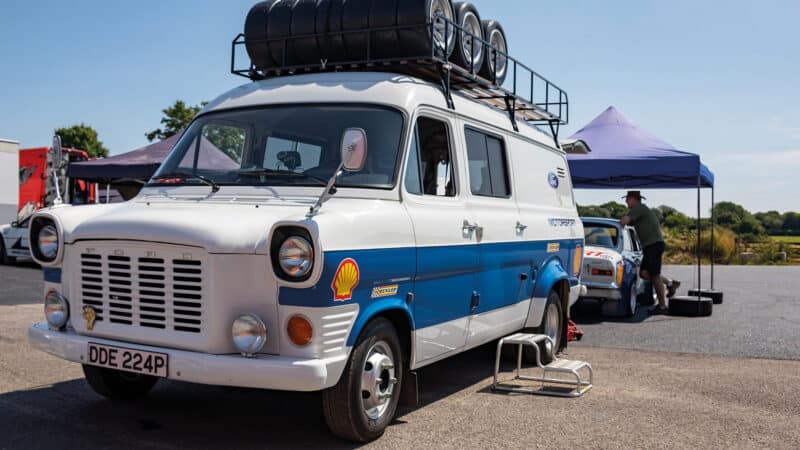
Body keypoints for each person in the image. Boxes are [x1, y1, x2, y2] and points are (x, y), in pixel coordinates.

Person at [619, 191, 680, 314]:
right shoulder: (639, 210)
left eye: (628, 199)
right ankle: (670, 283)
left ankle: (662, 306)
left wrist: (618, 223)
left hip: (653, 245)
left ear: (635, 199)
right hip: (651, 246)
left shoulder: (639, 208)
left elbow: (624, 222)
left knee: (654, 274)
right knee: (645, 273)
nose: (626, 202)